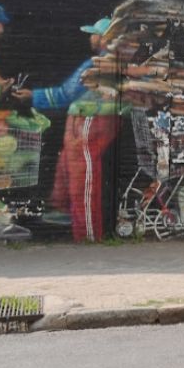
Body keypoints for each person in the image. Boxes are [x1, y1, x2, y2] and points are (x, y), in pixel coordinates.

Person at [31, 17, 124, 242]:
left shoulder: (100, 64)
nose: (91, 38)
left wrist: (32, 96)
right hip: (83, 120)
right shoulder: (112, 63)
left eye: (94, 34)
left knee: (83, 177)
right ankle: (63, 210)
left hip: (89, 120)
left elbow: (66, 93)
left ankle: (88, 235)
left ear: (105, 38)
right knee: (68, 165)